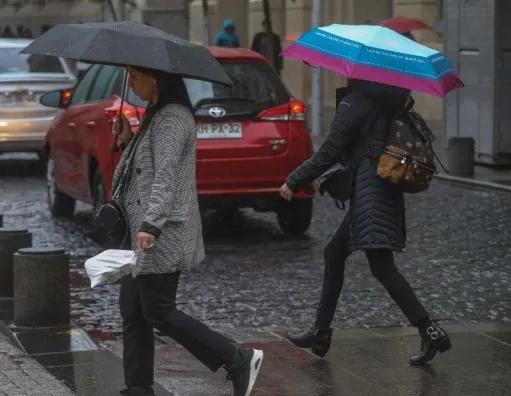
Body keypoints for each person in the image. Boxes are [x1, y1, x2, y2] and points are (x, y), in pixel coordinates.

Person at [111, 66, 262, 396]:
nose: (131, 82)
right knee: (133, 310)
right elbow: (146, 170)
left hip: (161, 232)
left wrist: (152, 225)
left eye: (135, 76)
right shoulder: (156, 113)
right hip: (142, 229)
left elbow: (166, 175)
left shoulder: (173, 118)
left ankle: (237, 358)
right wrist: (127, 141)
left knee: (159, 312)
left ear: (156, 78)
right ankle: (138, 388)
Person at [279, 78, 451, 366]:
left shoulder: (355, 101)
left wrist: (294, 181)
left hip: (371, 191)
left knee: (381, 266)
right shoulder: (389, 99)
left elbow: (329, 151)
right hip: (380, 188)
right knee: (334, 254)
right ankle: (320, 332)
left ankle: (430, 330)